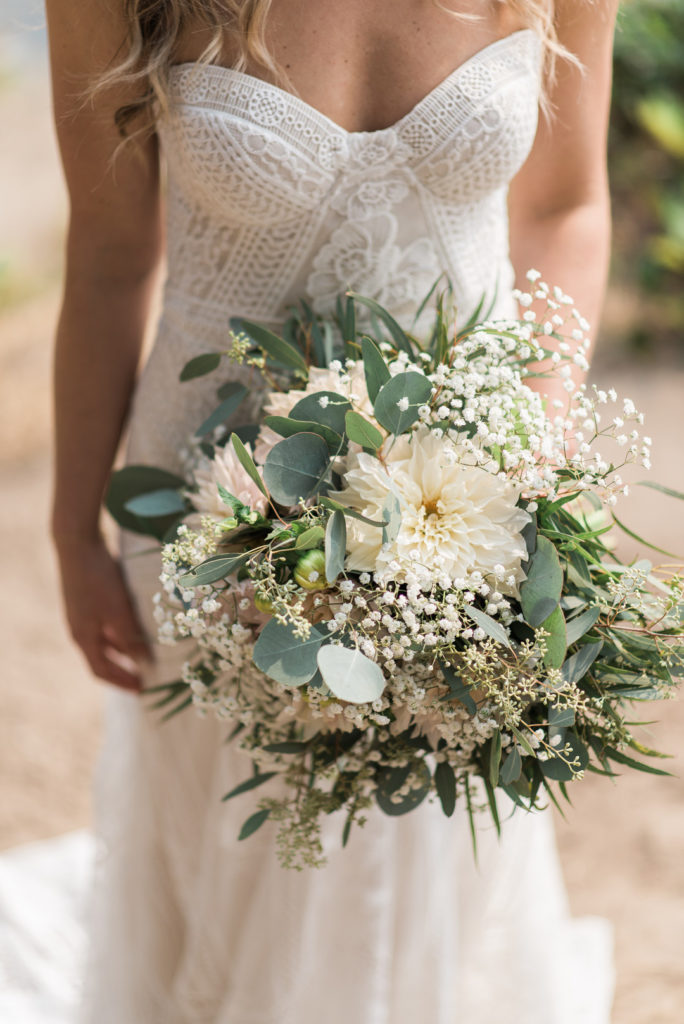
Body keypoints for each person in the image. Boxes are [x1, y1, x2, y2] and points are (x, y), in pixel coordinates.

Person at [46, 1, 618, 1021]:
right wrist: (72, 529)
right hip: (207, 526)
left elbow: (565, 208)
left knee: (427, 876)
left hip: (465, 525)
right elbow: (107, 258)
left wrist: (527, 466)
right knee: (239, 861)